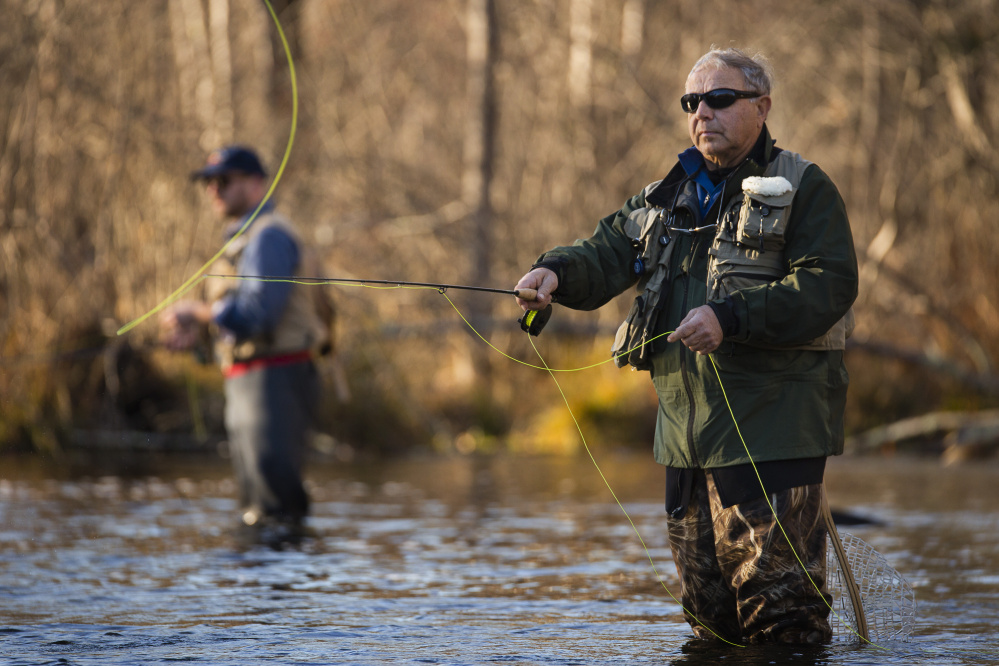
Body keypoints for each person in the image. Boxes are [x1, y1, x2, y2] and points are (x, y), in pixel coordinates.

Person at [514, 48, 858, 644]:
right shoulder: (665, 197)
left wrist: (731, 316)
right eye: (692, 102)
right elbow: (603, 253)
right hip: (683, 442)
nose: (703, 112)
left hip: (771, 433)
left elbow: (828, 285)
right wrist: (554, 274)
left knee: (784, 626)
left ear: (761, 106)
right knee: (710, 627)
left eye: (720, 99)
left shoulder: (806, 187)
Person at [161, 145, 331, 532]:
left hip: (275, 379)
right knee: (256, 506)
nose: (213, 190)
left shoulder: (268, 236)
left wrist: (199, 312)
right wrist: (200, 334)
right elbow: (241, 316)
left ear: (256, 184)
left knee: (275, 507)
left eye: (224, 180)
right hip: (252, 380)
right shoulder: (241, 240)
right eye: (208, 182)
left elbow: (259, 313)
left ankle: (282, 590)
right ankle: (258, 588)